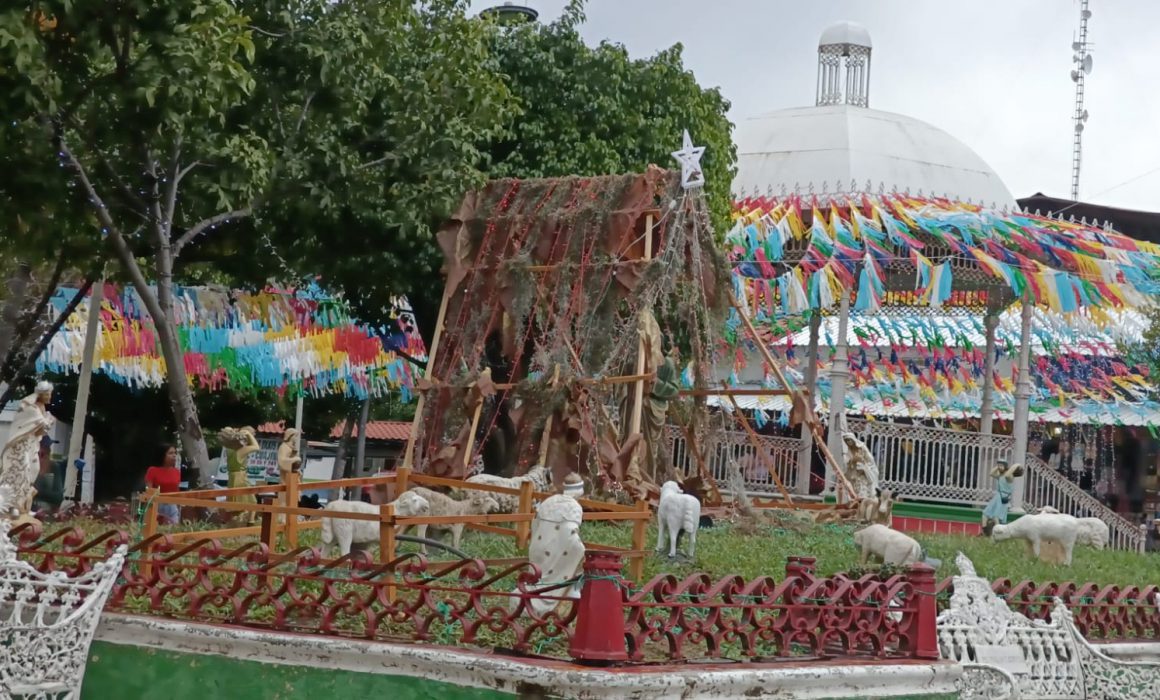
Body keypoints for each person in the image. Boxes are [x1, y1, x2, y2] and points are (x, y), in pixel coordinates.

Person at [981, 459, 1024, 536]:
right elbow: (991, 473)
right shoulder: (999, 475)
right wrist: (998, 466)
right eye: (999, 465)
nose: (1000, 467)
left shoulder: (1009, 476)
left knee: (996, 516)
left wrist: (1016, 465)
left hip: (1003, 497)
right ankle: (985, 532)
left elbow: (1007, 475)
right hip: (997, 496)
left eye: (1001, 466)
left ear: (1006, 467)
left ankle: (999, 533)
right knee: (985, 514)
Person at [144, 444, 182, 524]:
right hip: (157, 505)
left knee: (173, 530)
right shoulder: (152, 470)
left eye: (175, 453)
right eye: (170, 453)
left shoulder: (176, 472)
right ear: (162, 455)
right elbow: (149, 492)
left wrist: (178, 508)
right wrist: (151, 510)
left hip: (172, 506)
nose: (174, 455)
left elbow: (177, 491)